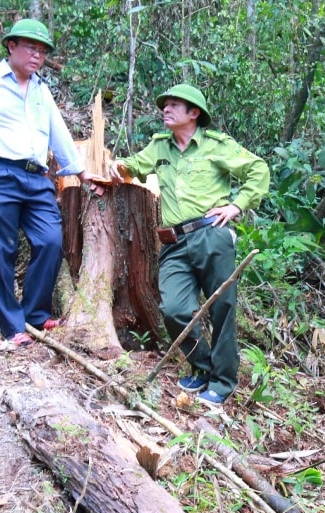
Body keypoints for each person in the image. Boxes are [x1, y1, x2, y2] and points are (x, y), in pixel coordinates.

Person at [109, 84, 270, 406]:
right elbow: (134, 166)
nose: (166, 109)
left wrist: (236, 205)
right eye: (165, 104)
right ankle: (202, 367)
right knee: (174, 308)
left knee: (222, 308)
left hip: (212, 234)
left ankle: (223, 382)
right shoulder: (159, 147)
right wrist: (117, 167)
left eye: (174, 105)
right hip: (174, 241)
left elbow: (258, 169)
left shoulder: (216, 146)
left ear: (193, 113)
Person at [0, 19, 96, 346]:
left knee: (51, 240)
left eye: (42, 51)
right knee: (1, 250)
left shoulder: (41, 90)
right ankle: (13, 327)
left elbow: (59, 133)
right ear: (11, 46)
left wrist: (82, 174)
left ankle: (35, 315)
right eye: (30, 48)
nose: (37, 56)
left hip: (37, 177)